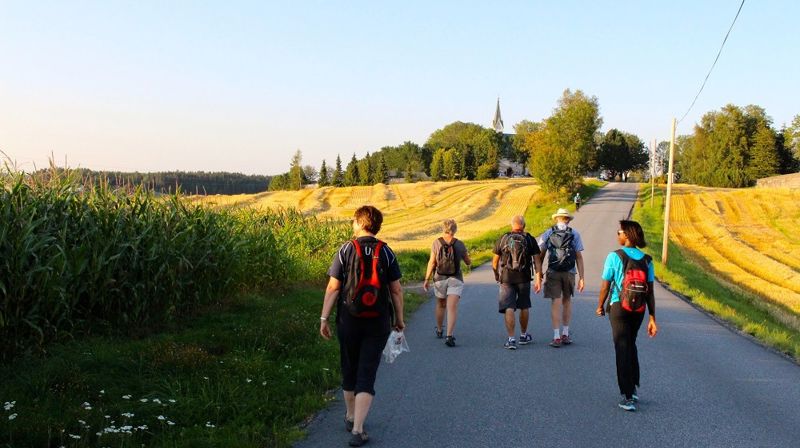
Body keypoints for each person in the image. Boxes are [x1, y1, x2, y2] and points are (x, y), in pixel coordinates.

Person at [319, 205, 405, 446]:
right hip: (377, 321)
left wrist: (324, 318)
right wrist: (399, 320)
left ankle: (349, 415)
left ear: (359, 223)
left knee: (349, 368)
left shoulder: (345, 249)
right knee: (366, 373)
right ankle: (358, 429)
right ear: (376, 226)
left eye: (353, 221)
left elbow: (333, 287)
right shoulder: (386, 252)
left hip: (348, 319)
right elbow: (396, 290)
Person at [596, 220, 657, 412]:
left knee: (622, 347)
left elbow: (605, 285)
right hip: (639, 310)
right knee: (631, 344)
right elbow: (650, 292)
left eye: (619, 232)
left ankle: (627, 396)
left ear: (628, 235)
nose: (617, 235)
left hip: (619, 307)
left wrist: (599, 306)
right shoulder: (647, 260)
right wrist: (652, 317)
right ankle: (633, 387)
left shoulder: (615, 256)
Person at [492, 215, 542, 350]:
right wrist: (538, 278)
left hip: (507, 278)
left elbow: (495, 261)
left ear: (511, 225)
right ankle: (524, 336)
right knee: (524, 306)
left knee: (509, 307)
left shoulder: (503, 238)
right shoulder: (529, 239)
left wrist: (497, 274)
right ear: (523, 226)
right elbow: (537, 260)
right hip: (524, 278)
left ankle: (511, 339)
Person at [537, 208, 585, 348]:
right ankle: (565, 333)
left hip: (553, 271)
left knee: (555, 303)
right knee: (567, 301)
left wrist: (539, 274)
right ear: (568, 220)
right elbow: (579, 257)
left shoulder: (548, 233)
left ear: (556, 219)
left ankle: (556, 336)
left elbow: (540, 254)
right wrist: (582, 277)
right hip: (569, 272)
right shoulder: (574, 234)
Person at [423, 218, 472, 347]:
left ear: (443, 228)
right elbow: (468, 261)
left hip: (440, 279)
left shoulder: (436, 243)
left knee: (440, 305)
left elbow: (432, 262)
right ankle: (449, 336)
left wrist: (427, 279)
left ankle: (439, 330)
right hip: (456, 279)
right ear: (455, 229)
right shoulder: (460, 244)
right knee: (452, 307)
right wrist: (467, 259)